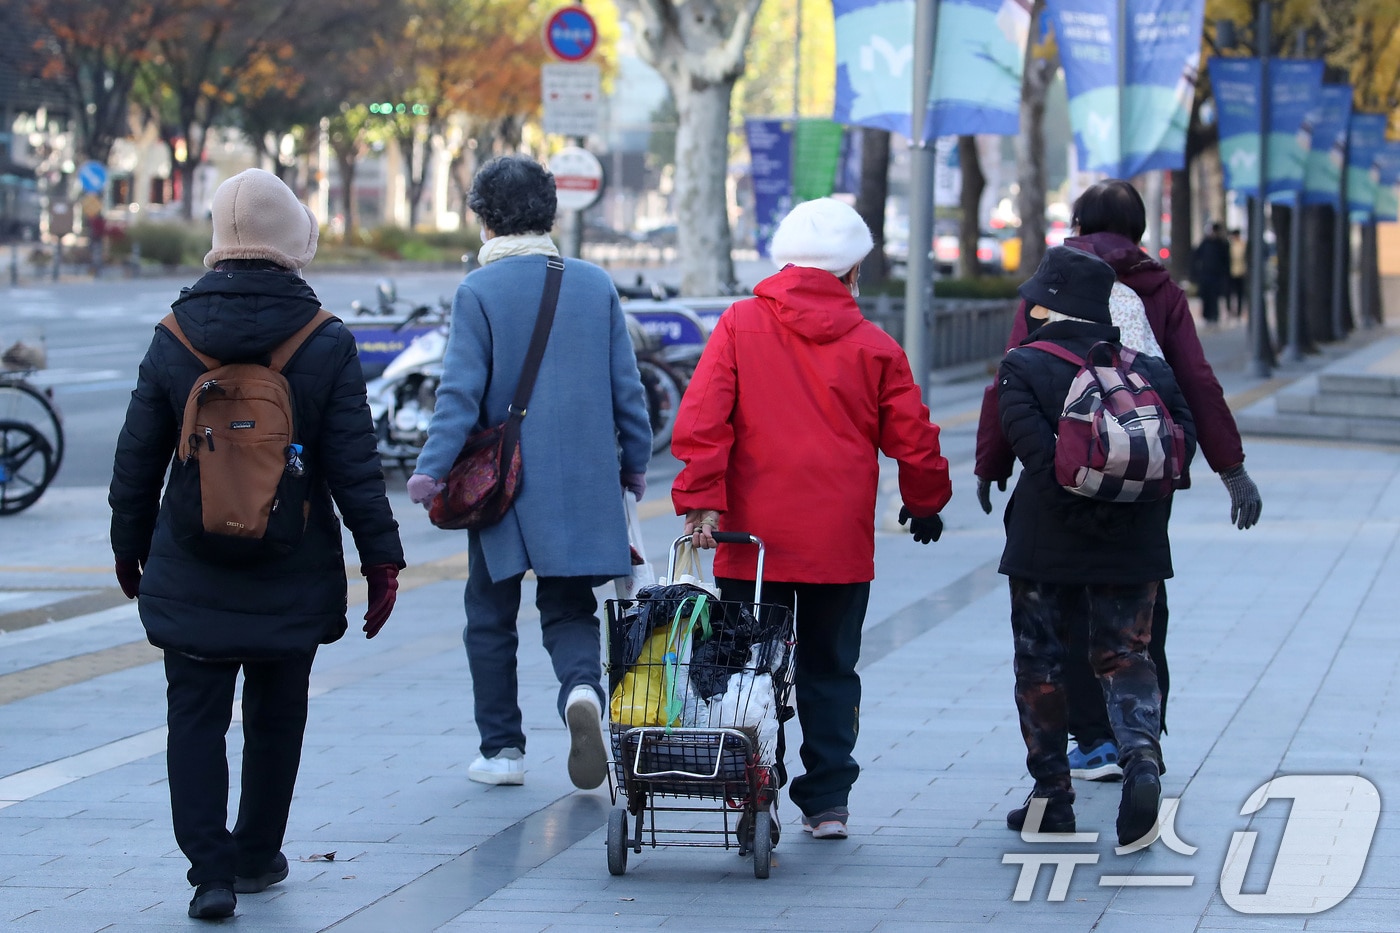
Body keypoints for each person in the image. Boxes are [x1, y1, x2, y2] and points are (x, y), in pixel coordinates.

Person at [108, 168, 405, 920]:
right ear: (291, 240)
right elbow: (353, 464)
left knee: (195, 716)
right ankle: (255, 853)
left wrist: (127, 546)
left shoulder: (174, 336)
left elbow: (137, 455)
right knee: (278, 714)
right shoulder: (324, 339)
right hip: (290, 559)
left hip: (190, 558)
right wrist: (381, 559)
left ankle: (208, 872)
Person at [671, 198, 952, 840]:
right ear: (853, 272)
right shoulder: (874, 345)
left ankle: (749, 784)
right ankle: (827, 802)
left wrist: (700, 504)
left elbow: (703, 421)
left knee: (745, 666)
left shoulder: (740, 324)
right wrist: (925, 501)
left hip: (750, 543)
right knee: (830, 668)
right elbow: (914, 436)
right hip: (837, 546)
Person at [974, 179, 1263, 782]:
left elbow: (1009, 376)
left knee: (1059, 613)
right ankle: (1139, 740)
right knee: (1133, 611)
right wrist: (1229, 468)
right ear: (1139, 229)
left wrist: (992, 462)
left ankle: (1090, 745)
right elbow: (1196, 380)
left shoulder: (1051, 283)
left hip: (1059, 473)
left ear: (1076, 222)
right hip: (1141, 471)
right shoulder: (1157, 287)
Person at [406, 155, 652, 791]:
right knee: (569, 605)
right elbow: (629, 391)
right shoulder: (594, 284)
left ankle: (503, 751)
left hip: (503, 482)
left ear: (485, 219)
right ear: (549, 214)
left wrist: (430, 472)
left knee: (488, 613)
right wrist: (633, 467)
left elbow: (459, 395)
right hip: (584, 476)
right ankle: (582, 693)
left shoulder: (479, 292)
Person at [996, 245, 1197, 845]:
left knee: (1041, 660)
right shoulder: (1148, 370)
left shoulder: (1024, 366)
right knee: (1127, 656)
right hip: (1133, 541)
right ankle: (1140, 759)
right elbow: (1181, 445)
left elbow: (1036, 456)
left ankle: (1053, 796)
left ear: (1046, 305)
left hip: (1046, 543)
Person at [1191, 222, 1232, 326]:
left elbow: (1226, 261)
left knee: (1214, 297)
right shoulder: (1205, 243)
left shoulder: (1222, 244)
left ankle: (1214, 315)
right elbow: (1196, 256)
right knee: (1206, 296)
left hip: (1216, 275)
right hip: (1205, 274)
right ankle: (1207, 315)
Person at [1228, 228, 1248, 318]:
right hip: (1231, 272)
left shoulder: (1242, 245)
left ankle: (1239, 311)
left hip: (1241, 272)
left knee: (1239, 294)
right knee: (1229, 293)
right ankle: (1230, 310)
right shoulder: (1230, 245)